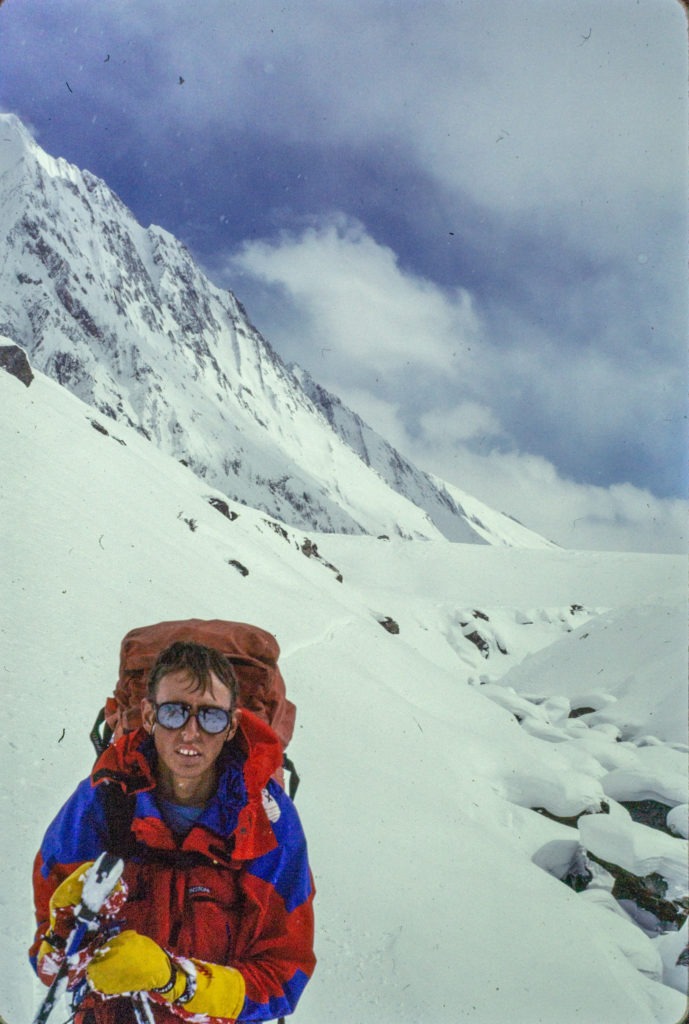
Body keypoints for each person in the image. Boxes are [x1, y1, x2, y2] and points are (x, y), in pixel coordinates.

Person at [31, 641, 316, 1023]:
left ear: (232, 725)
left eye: (211, 717)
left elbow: (284, 974)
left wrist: (177, 982)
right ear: (149, 716)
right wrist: (66, 934)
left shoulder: (266, 823)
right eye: (174, 712)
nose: (190, 733)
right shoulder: (104, 801)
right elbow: (50, 964)